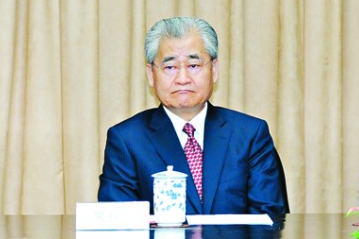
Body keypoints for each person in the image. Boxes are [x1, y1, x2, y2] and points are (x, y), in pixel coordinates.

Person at [98, 17, 287, 218]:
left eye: (194, 65)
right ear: (151, 74)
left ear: (214, 70)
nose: (182, 79)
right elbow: (118, 224)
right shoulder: (127, 139)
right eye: (170, 67)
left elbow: (269, 219)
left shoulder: (250, 134)